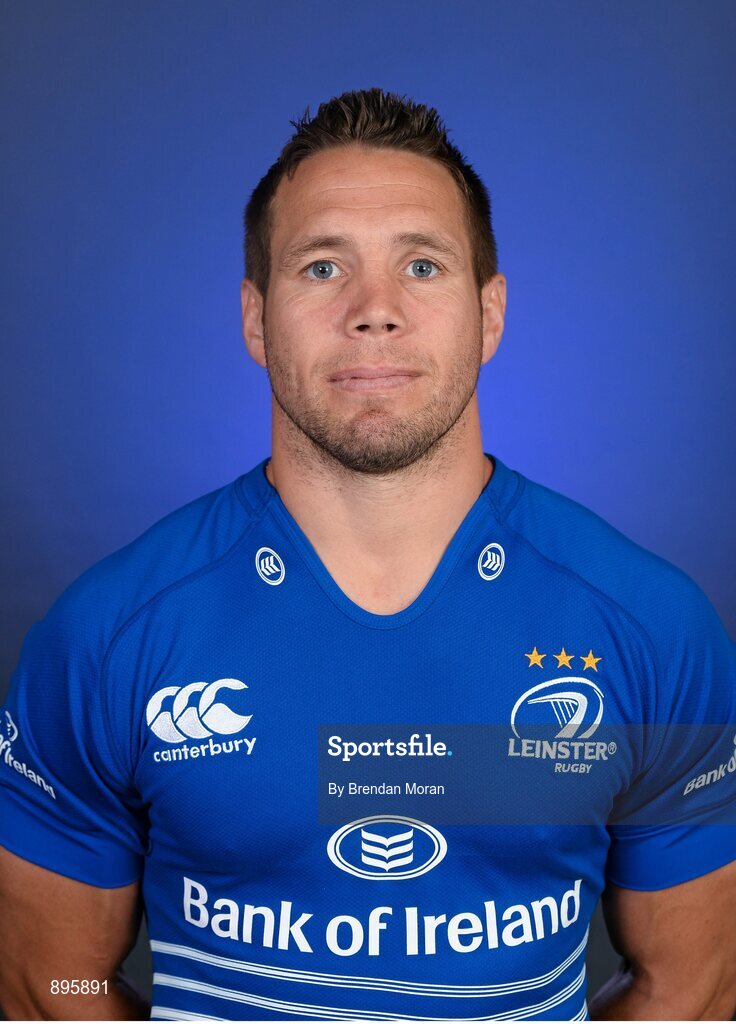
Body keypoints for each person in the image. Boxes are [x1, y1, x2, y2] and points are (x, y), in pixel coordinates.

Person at [1, 87, 735, 1023]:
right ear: (256, 319)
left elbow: (695, 987)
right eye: (321, 268)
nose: (374, 310)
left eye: (422, 265)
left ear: (491, 312)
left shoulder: (653, 630)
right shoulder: (107, 637)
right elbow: (47, 986)